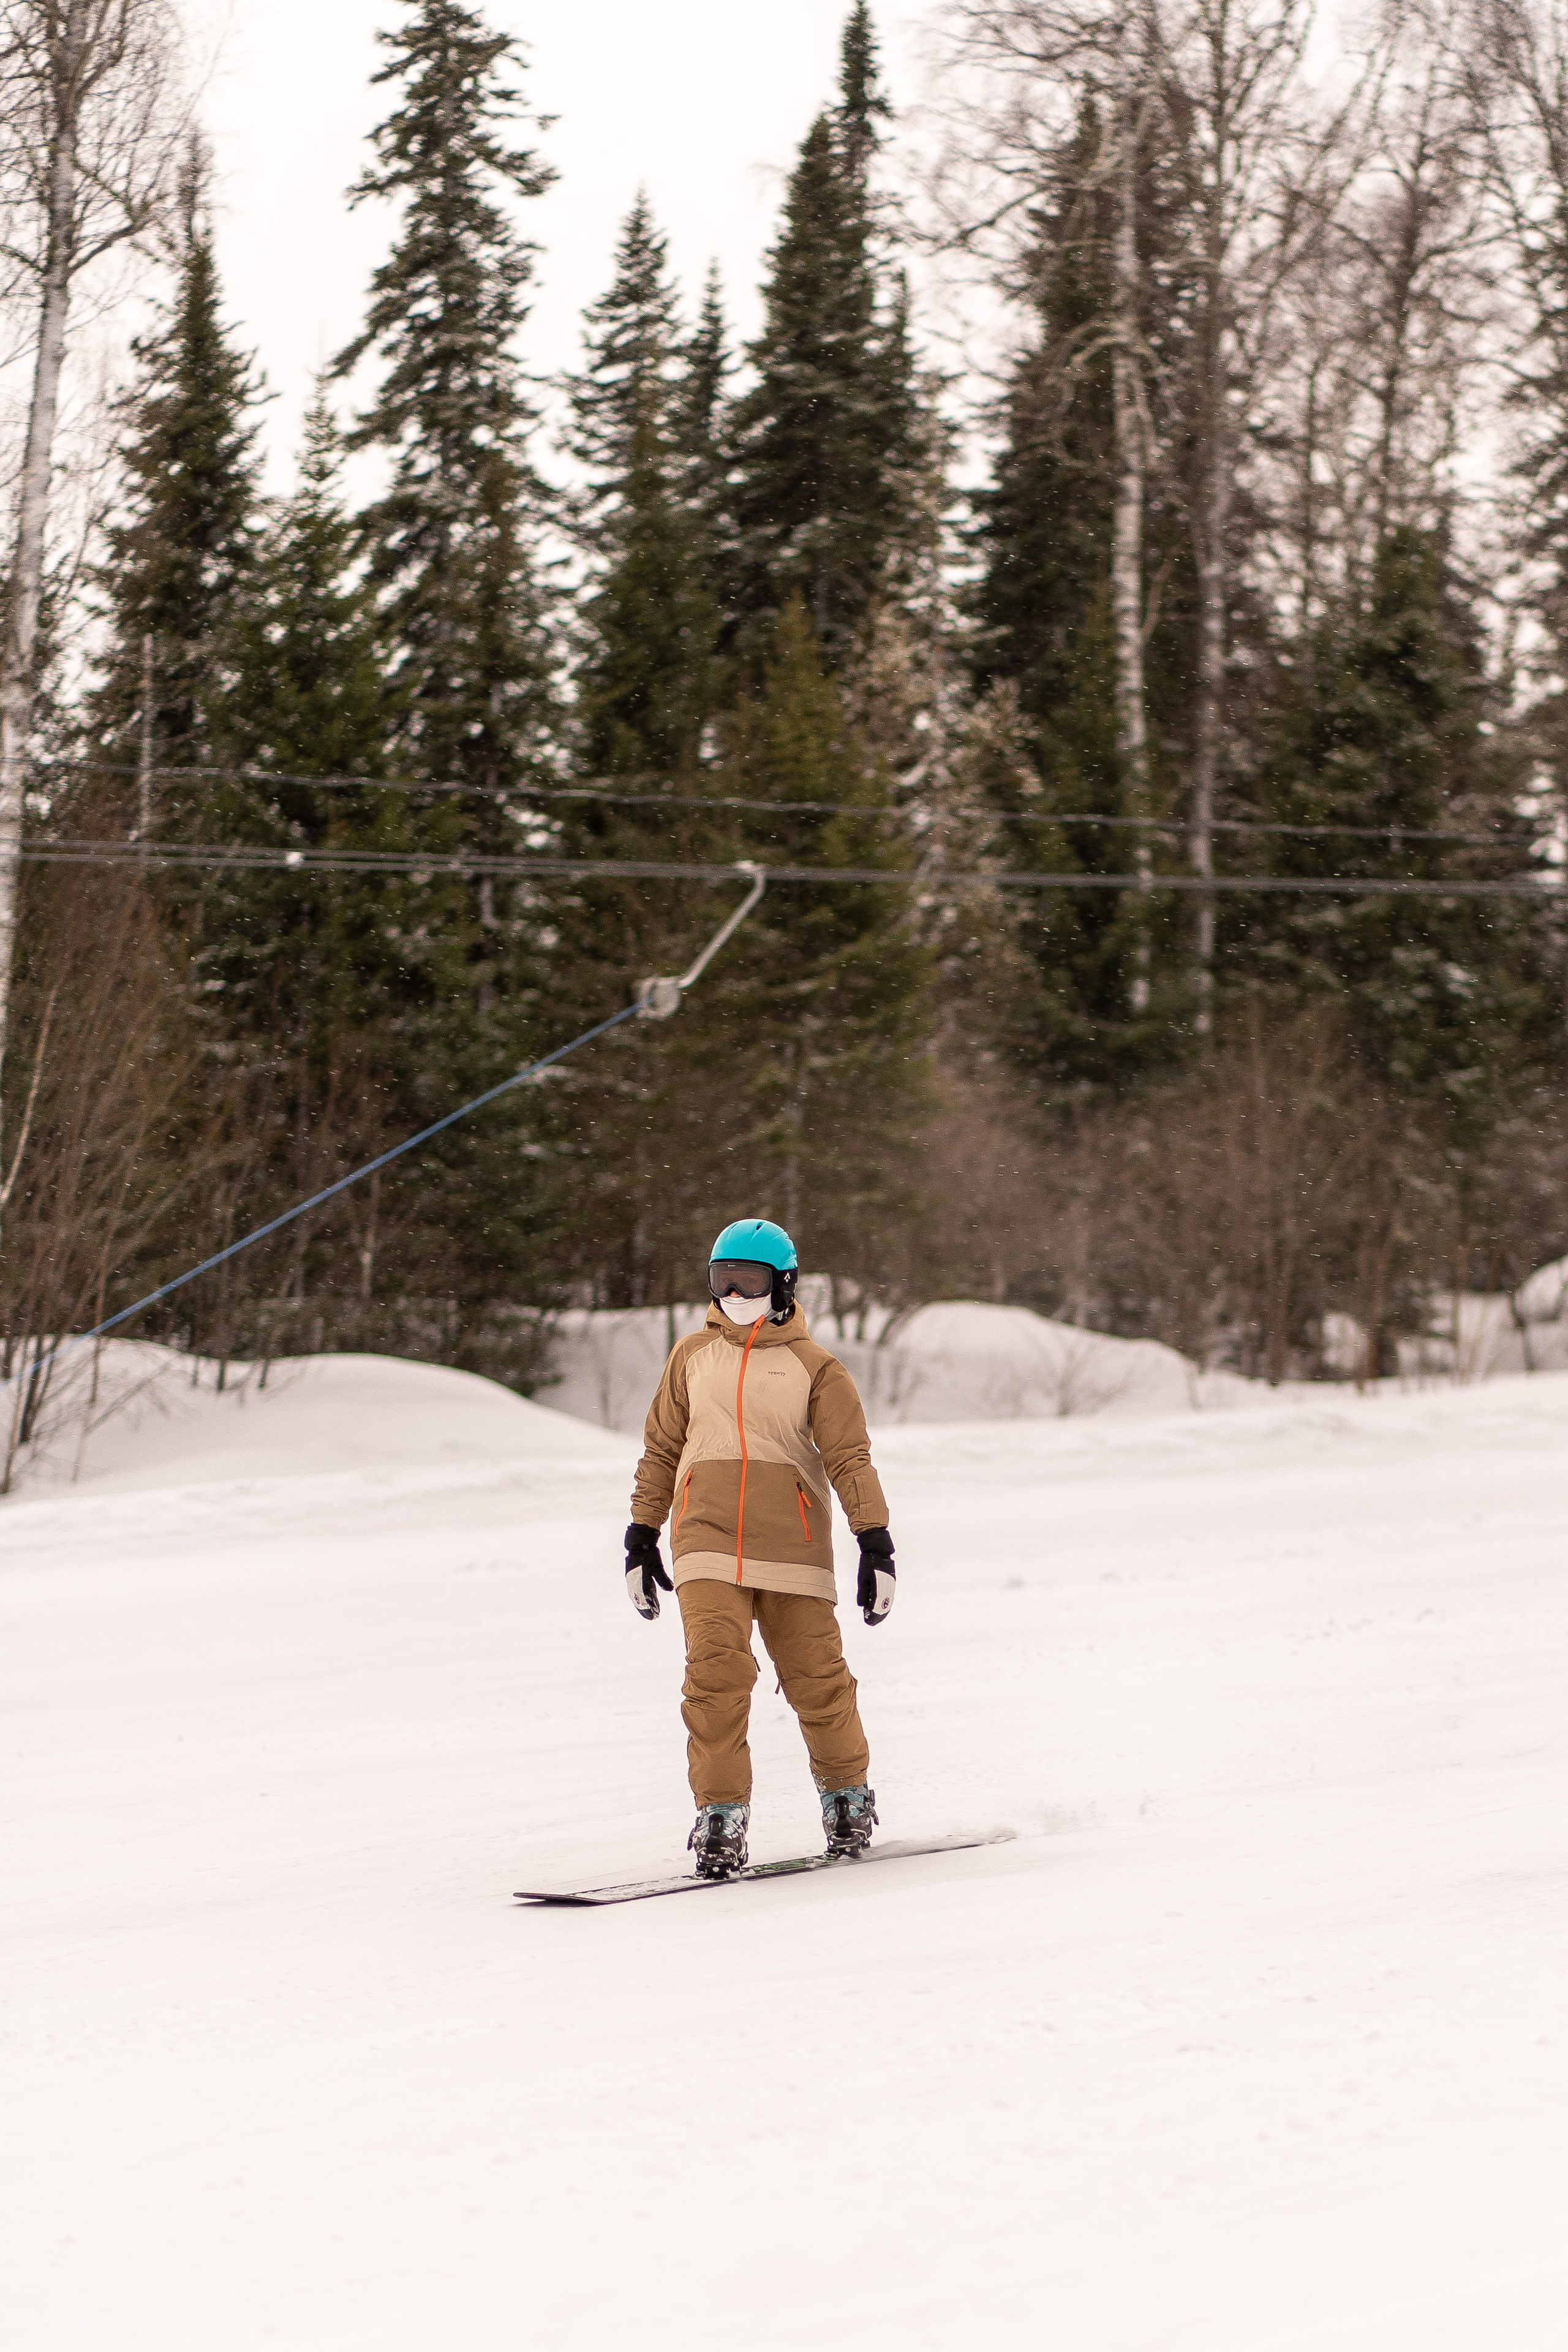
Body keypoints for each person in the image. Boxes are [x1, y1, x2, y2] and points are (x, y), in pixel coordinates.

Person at [624, 1216, 897, 1879]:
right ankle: (719, 1818)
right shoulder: (691, 1356)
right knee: (715, 1677)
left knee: (818, 1683)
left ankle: (846, 1800)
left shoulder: (816, 1367)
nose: (736, 1293)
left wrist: (874, 1539)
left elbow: (848, 1458)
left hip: (793, 1544)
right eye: (724, 1280)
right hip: (705, 1538)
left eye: (751, 1280)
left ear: (785, 1285)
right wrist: (641, 1533)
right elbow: (662, 1448)